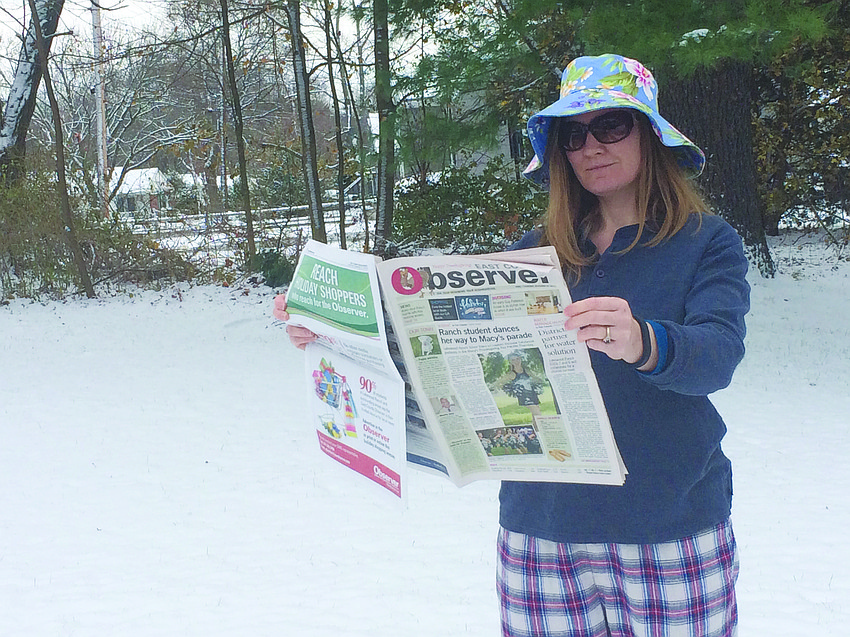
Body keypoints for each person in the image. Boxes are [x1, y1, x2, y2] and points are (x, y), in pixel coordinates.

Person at [274, 52, 749, 637]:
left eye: (611, 125)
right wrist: (335, 332)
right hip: (539, 528)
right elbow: (450, 358)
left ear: (650, 133)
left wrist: (643, 341)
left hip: (671, 526)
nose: (591, 146)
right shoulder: (536, 252)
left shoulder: (707, 242)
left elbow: (718, 353)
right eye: (573, 134)